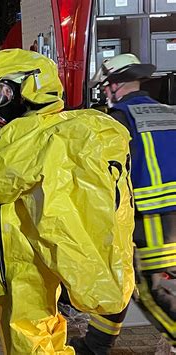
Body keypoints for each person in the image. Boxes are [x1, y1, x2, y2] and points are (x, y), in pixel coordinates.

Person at [0, 48, 135, 354]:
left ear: (14, 91)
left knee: (30, 334)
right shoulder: (56, 128)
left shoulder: (29, 136)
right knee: (39, 328)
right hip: (23, 252)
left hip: (23, 257)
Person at [90, 53, 176, 346]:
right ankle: (96, 342)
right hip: (171, 215)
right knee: (124, 277)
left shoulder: (118, 121)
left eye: (104, 87)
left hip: (151, 214)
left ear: (116, 85)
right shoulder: (168, 111)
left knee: (150, 288)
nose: (103, 93)